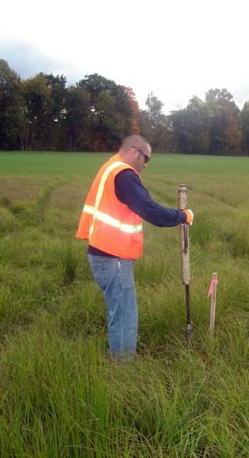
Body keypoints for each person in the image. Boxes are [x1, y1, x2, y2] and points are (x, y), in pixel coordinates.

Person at [76, 134, 194, 361]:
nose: (146, 164)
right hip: (113, 258)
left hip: (104, 255)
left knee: (118, 311)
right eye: (146, 158)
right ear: (133, 151)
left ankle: (118, 358)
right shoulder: (124, 174)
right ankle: (123, 369)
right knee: (124, 315)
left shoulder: (110, 167)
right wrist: (182, 216)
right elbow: (149, 210)